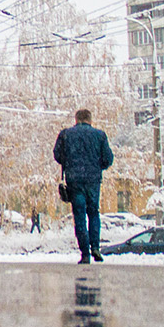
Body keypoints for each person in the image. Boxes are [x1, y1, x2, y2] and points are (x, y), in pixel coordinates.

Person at [53, 107, 114, 264]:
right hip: (93, 180)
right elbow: (108, 159)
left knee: (79, 215)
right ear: (90, 119)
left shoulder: (66, 134)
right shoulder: (100, 135)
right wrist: (95, 166)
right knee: (93, 213)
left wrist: (71, 163)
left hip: (74, 180)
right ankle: (96, 247)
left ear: (76, 119)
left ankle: (85, 253)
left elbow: (57, 155)